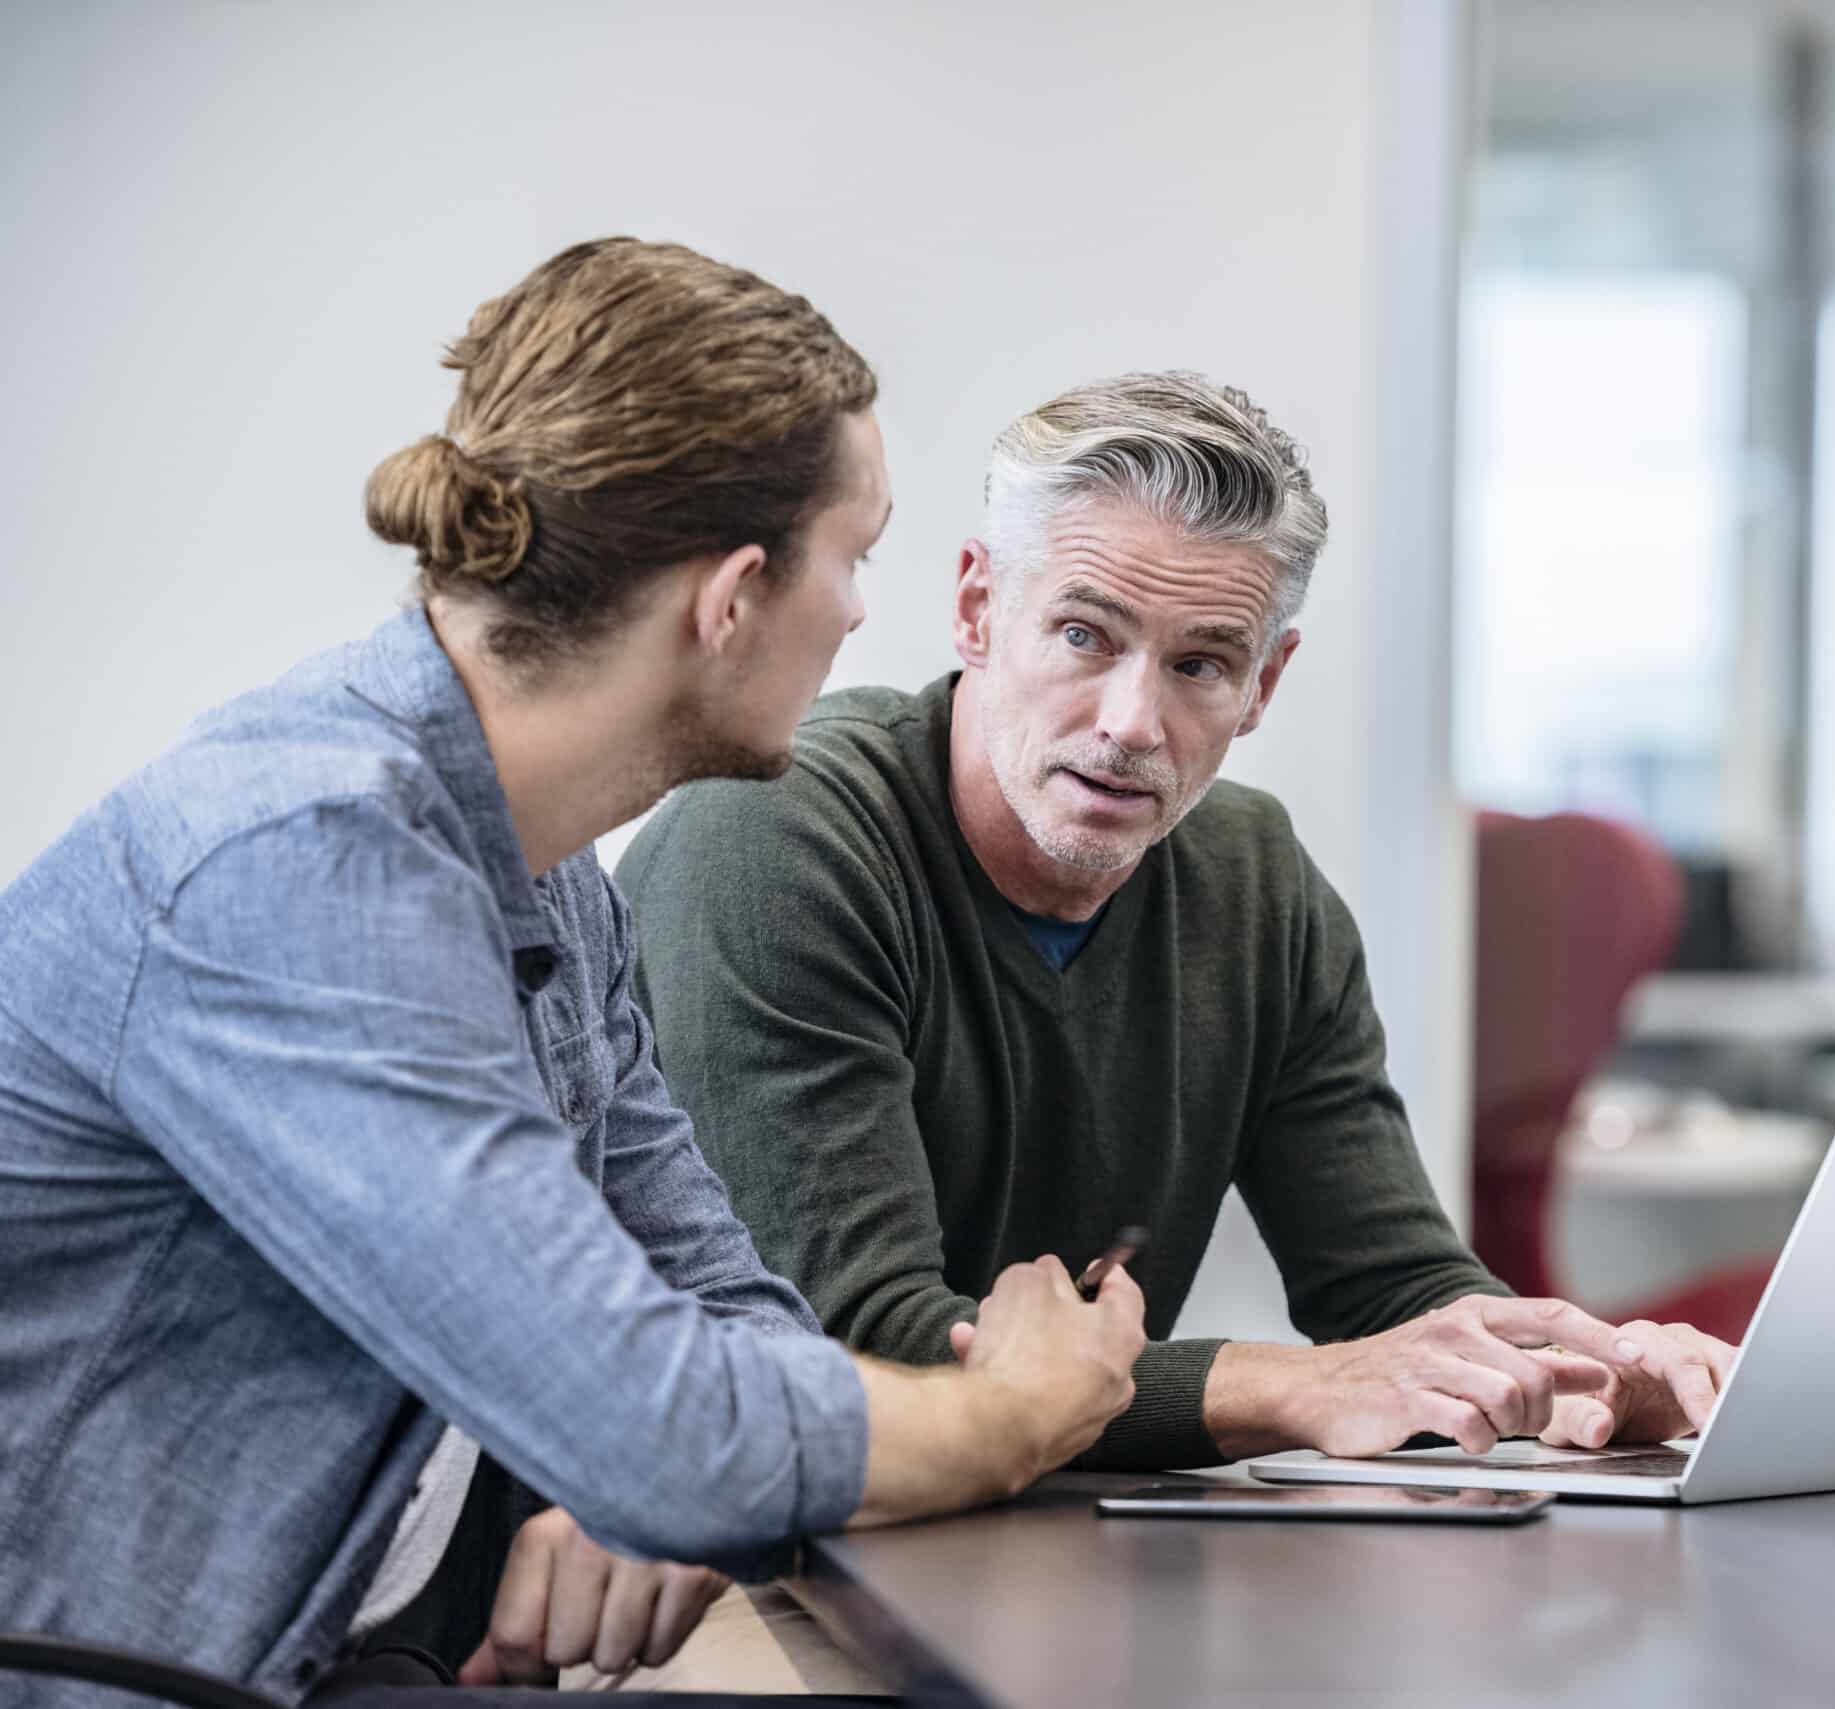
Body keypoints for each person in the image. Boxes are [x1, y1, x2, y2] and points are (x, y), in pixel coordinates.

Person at [0, 239, 1143, 1705]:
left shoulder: (551, 881)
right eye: (854, 554)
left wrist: (678, 1473)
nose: (862, 612)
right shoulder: (296, 865)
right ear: (731, 597)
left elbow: (716, 1313)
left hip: (351, 1655)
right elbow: (664, 1423)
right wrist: (1021, 1407)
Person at [618, 371, 1735, 1486]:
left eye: (1200, 663)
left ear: (1263, 681)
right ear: (976, 608)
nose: (1130, 724)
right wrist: (1293, 1384)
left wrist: (1580, 1373)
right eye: (1082, 635)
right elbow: (848, 1343)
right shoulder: (771, 842)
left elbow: (1393, 1283)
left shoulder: (1254, 882)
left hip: (1048, 1553)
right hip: (719, 1549)